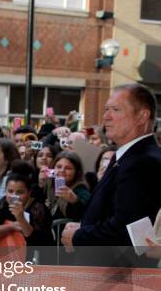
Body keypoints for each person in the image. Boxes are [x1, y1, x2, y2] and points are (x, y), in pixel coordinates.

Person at [62, 84, 161, 258]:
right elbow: (109, 211)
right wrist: (83, 226)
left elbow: (125, 229)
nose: (106, 117)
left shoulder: (144, 162)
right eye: (106, 109)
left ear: (142, 116)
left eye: (116, 109)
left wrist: (78, 237)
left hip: (117, 276)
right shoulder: (128, 155)